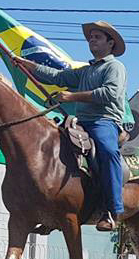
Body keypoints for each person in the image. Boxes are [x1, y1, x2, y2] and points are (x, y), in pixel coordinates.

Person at [14, 21, 127, 231]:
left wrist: (71, 96)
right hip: (82, 122)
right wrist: (27, 64)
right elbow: (57, 76)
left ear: (110, 43)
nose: (92, 39)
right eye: (90, 37)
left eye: (97, 37)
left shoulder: (115, 67)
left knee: (108, 151)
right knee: (52, 148)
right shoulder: (84, 71)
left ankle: (112, 211)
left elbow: (109, 93)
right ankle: (53, 208)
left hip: (104, 120)